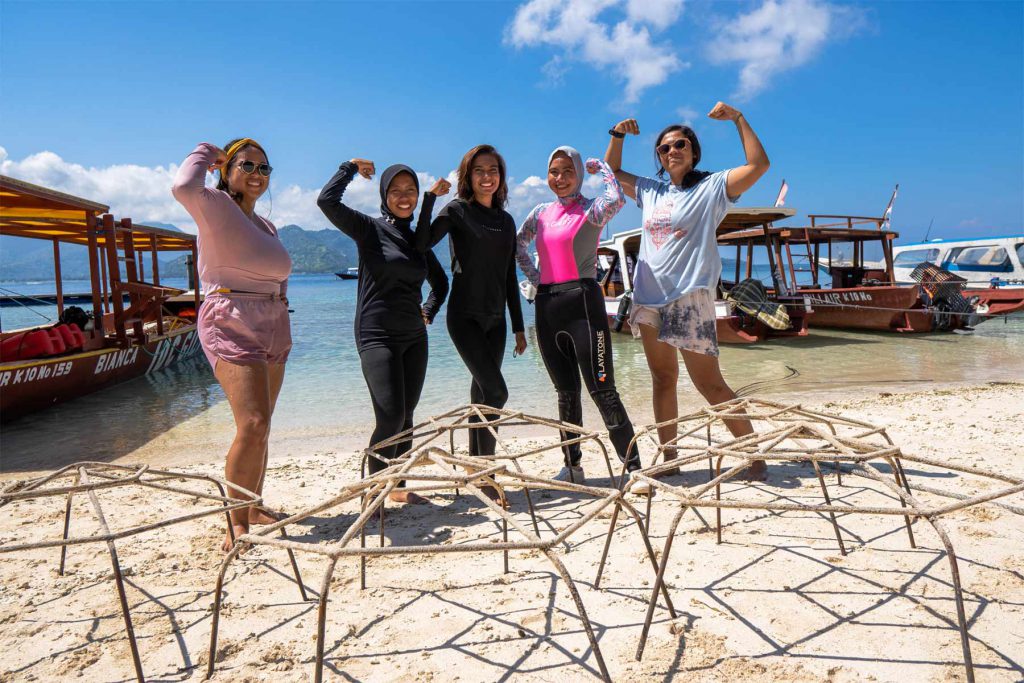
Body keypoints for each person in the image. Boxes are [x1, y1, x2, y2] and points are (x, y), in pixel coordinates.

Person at [604, 102, 771, 484]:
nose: (672, 151)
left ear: (693, 151)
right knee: (662, 379)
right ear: (659, 158)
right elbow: (611, 173)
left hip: (689, 298)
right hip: (648, 298)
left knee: (709, 383)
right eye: (664, 148)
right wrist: (616, 135)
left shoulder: (712, 187)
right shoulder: (651, 190)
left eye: (680, 144)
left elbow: (759, 165)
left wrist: (739, 120)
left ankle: (753, 456)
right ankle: (669, 459)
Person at [172, 138, 292, 549]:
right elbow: (183, 186)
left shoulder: (266, 226)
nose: (257, 174)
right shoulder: (214, 205)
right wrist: (208, 151)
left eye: (264, 168)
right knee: (252, 423)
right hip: (230, 316)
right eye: (247, 165)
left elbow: (275, 271)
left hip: (274, 318)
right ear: (227, 169)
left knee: (264, 424)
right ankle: (234, 522)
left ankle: (253, 505)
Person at [318, 158, 449, 504]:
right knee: (389, 417)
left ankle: (398, 489)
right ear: (384, 194)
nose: (404, 197)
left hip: (413, 337)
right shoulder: (369, 229)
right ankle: (373, 492)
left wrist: (429, 311)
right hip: (376, 334)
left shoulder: (417, 241)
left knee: (406, 416)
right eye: (396, 191)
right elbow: (326, 202)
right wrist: (347, 168)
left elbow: (441, 283)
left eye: (411, 191)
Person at [515, 146, 640, 483]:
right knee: (566, 393)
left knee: (603, 389)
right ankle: (572, 467)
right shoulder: (541, 212)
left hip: (583, 305)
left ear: (579, 175)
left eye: (568, 171)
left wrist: (604, 169)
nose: (560, 178)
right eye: (554, 171)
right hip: (547, 307)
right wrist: (535, 278)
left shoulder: (591, 210)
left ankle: (634, 469)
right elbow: (518, 245)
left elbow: (617, 200)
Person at [414, 145, 526, 461]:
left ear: (501, 177)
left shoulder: (506, 221)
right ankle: (484, 467)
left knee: (482, 394)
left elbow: (508, 276)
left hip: (497, 320)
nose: (486, 176)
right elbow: (421, 244)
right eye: (479, 170)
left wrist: (518, 326)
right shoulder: (457, 210)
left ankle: (475, 466)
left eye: (493, 170)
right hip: (464, 318)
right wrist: (429, 198)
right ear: (468, 175)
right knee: (497, 392)